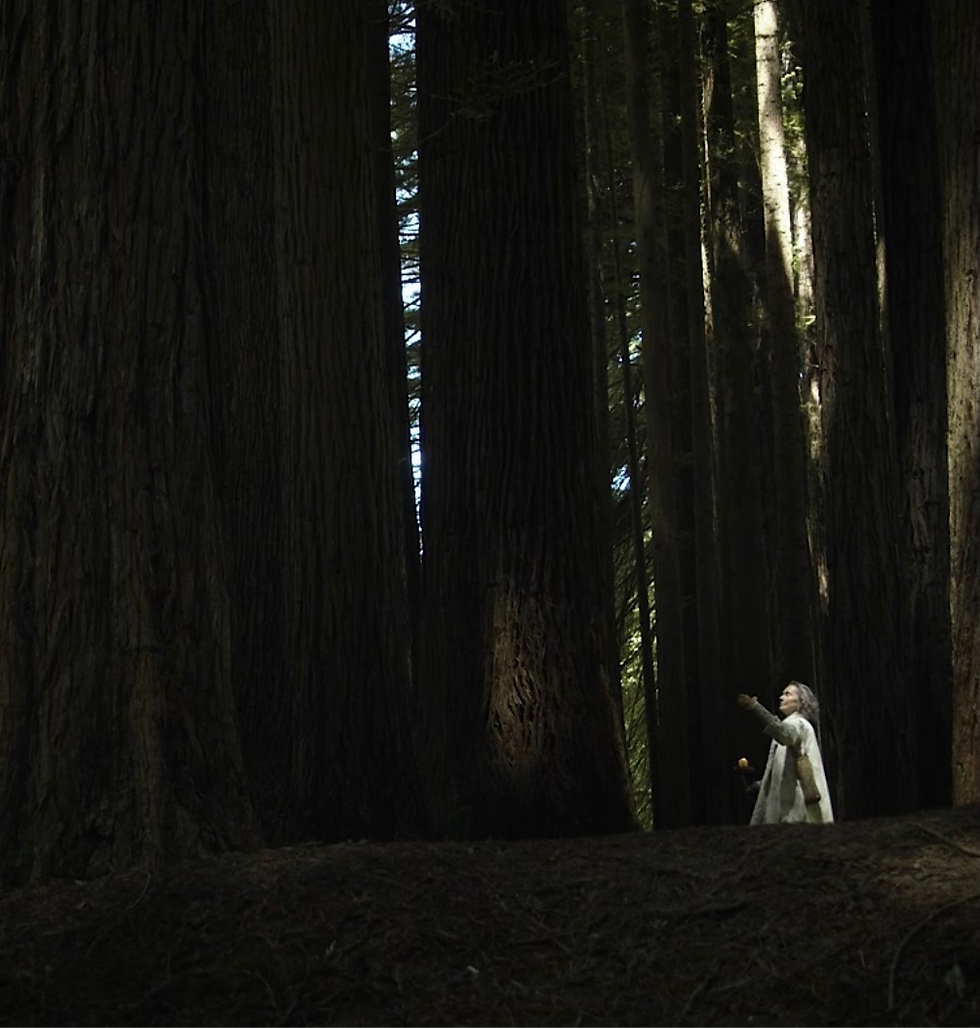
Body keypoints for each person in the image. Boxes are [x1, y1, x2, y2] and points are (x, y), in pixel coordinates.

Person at [735, 681, 834, 825]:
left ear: (801, 701)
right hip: (787, 809)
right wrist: (762, 785)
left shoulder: (798, 724)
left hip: (796, 809)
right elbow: (784, 771)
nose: (781, 697)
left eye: (788, 694)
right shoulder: (791, 724)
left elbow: (784, 733)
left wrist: (755, 707)